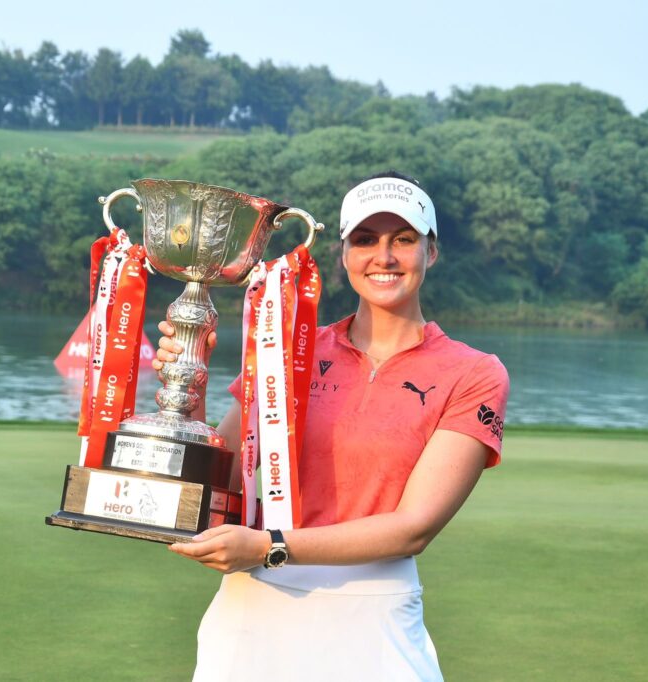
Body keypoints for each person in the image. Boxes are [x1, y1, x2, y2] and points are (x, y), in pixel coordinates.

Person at [153, 171, 510, 681]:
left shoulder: (474, 372)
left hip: (373, 616)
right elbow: (222, 486)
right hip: (253, 609)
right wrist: (188, 388)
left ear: (431, 252)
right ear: (344, 255)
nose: (383, 257)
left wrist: (269, 546)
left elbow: (414, 528)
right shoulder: (287, 348)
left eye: (403, 240)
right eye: (365, 240)